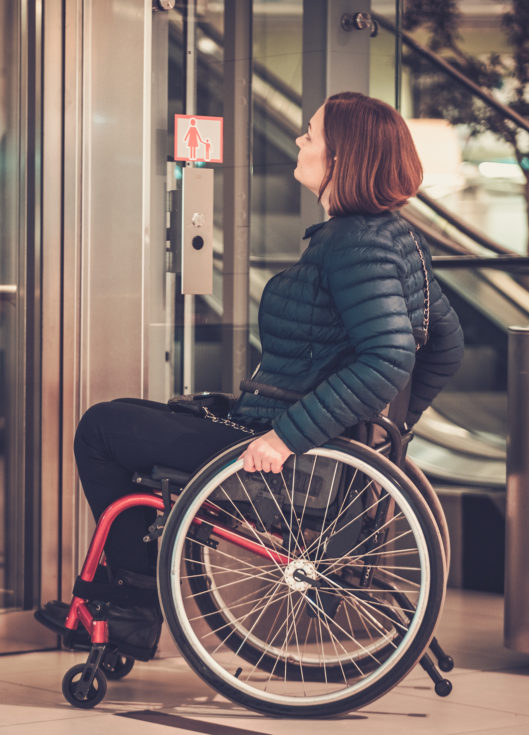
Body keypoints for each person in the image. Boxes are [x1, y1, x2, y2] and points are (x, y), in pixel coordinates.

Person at [35, 91, 464, 661]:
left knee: (101, 429)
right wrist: (387, 431)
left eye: (310, 135)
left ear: (342, 158)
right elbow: (447, 344)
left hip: (284, 453)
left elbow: (388, 359)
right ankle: (131, 605)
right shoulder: (396, 239)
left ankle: (133, 610)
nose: (299, 141)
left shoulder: (355, 245)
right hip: (303, 439)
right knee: (134, 427)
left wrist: (290, 438)